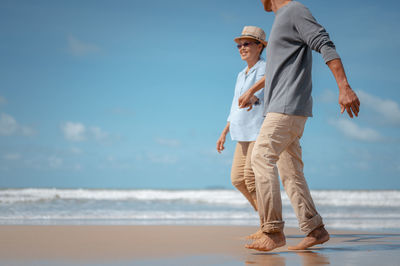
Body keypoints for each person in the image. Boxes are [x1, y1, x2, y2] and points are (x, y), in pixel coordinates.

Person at [239, 0, 360, 251]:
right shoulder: (282, 18)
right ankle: (315, 229)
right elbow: (276, 72)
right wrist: (254, 92)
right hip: (285, 108)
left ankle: (272, 231)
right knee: (290, 170)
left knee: (260, 157)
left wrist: (344, 86)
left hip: (286, 107)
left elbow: (324, 43)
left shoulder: (294, 11)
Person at [216, 26, 268, 239]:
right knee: (237, 179)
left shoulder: (266, 68)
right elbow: (234, 105)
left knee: (250, 177)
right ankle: (266, 219)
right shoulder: (240, 74)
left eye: (247, 43)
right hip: (240, 131)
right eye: (239, 45)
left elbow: (265, 93)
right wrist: (224, 131)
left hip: (257, 129)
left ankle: (268, 225)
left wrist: (254, 97)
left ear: (260, 46)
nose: (242, 48)